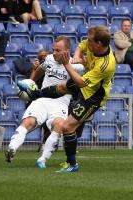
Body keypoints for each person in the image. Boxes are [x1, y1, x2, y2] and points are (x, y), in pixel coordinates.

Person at [18, 25, 116, 172]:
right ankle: (34, 94)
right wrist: (77, 55)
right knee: (62, 87)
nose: (87, 42)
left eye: (90, 40)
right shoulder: (91, 44)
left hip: (93, 96)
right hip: (86, 81)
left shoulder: (106, 65)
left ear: (99, 44)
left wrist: (67, 64)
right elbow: (81, 45)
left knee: (66, 126)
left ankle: (72, 165)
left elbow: (81, 83)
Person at [5, 36, 85, 169]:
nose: (54, 53)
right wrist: (30, 82)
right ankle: (12, 148)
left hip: (60, 104)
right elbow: (39, 70)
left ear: (66, 51)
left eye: (58, 50)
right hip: (42, 99)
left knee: (59, 127)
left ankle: (42, 160)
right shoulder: (48, 59)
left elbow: (81, 84)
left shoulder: (77, 67)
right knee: (28, 122)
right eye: (53, 49)